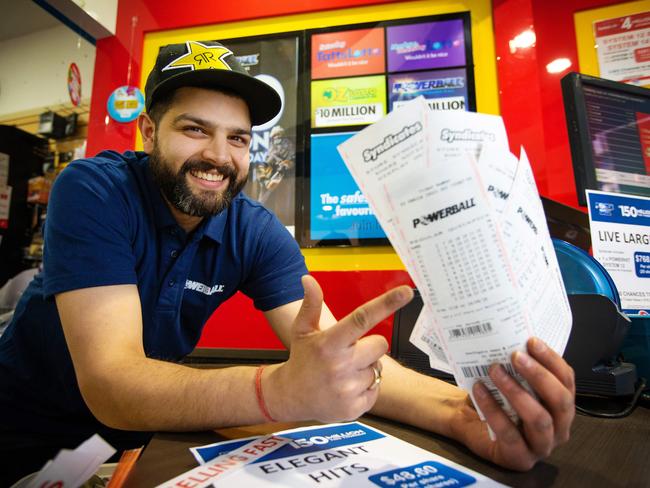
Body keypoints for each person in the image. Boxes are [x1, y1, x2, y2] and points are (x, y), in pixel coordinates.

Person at [0, 40, 575, 485]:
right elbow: (112, 383)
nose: (218, 157)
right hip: (21, 435)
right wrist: (277, 390)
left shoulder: (252, 229)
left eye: (238, 139)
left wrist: (461, 413)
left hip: (131, 446)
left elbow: (337, 354)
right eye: (194, 129)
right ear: (149, 131)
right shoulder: (94, 189)